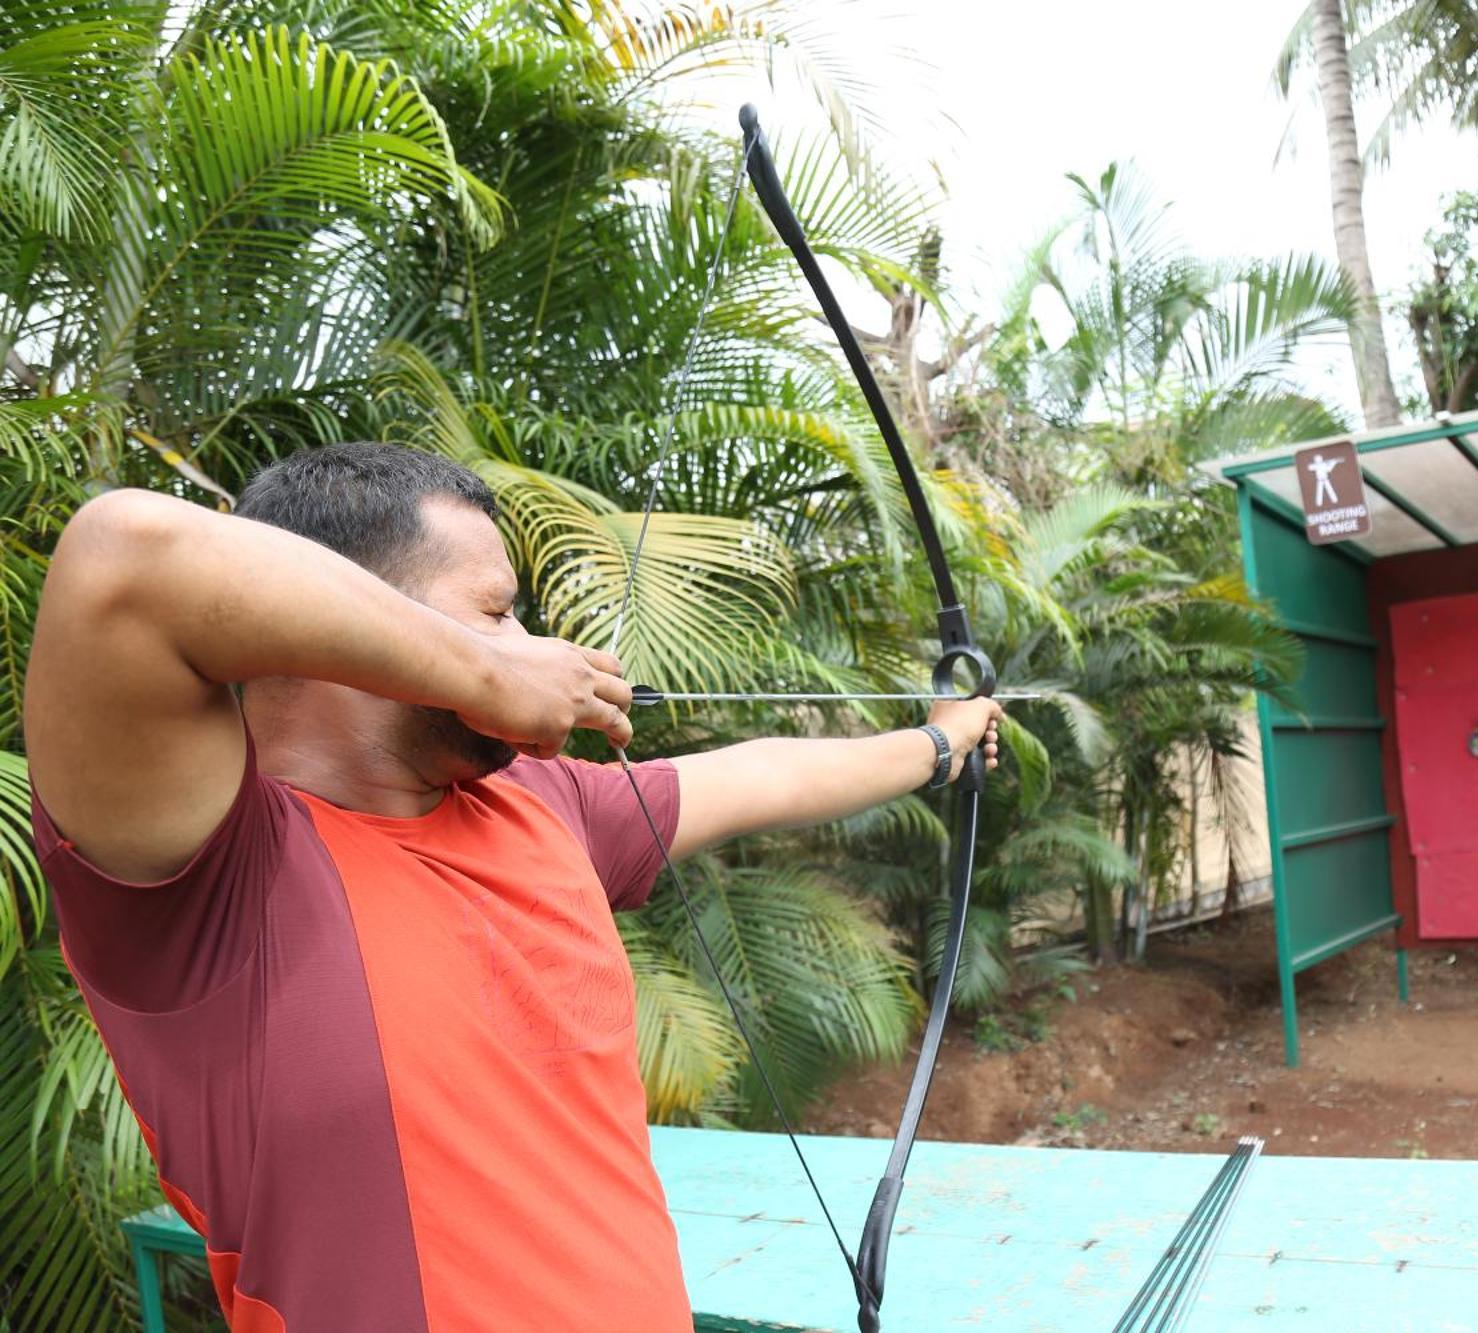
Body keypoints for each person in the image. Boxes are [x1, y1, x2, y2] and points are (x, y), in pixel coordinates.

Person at [23, 443, 1002, 1332]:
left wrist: (939, 742)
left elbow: (762, 774)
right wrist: (486, 672)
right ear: (346, 615)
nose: (535, 642)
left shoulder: (543, 804)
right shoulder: (202, 880)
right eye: (497, 610)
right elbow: (121, 556)